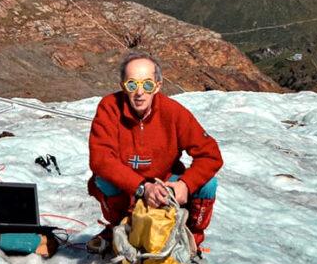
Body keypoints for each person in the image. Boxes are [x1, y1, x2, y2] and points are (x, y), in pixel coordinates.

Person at [88, 51, 223, 251]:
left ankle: (192, 236)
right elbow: (100, 159)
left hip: (167, 183)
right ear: (123, 86)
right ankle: (120, 226)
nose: (139, 92)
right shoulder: (109, 107)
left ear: (158, 86)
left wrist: (184, 185)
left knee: (208, 184)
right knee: (103, 179)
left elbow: (210, 155)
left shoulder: (174, 112)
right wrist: (141, 187)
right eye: (132, 85)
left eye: (147, 85)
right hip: (128, 186)